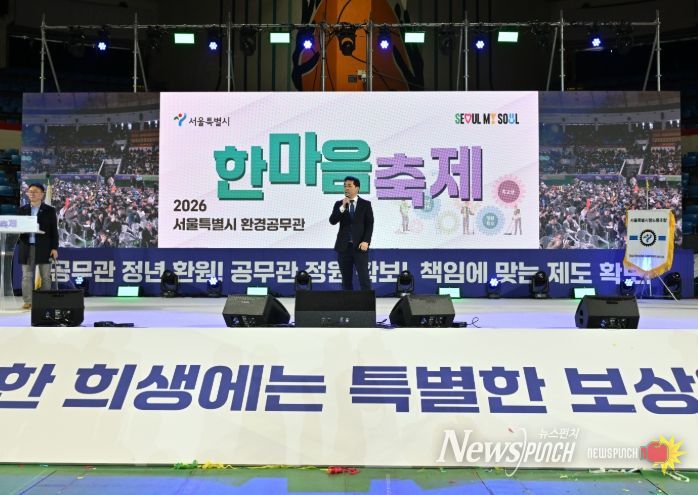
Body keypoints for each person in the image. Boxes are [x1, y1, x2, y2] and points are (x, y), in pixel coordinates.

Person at [17, 183, 58, 310]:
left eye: (35, 191)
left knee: (45, 276)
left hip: (44, 248)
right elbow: (18, 228)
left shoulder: (49, 210)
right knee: (26, 276)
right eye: (30, 191)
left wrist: (54, 248)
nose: (32, 194)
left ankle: (44, 301)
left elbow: (54, 231)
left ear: (42, 194)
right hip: (26, 247)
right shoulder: (22, 210)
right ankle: (28, 301)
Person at [329, 176, 374, 291]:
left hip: (360, 247)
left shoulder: (365, 204)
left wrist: (366, 241)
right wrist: (343, 207)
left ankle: (366, 302)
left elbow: (369, 224)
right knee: (346, 280)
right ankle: (347, 302)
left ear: (357, 188)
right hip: (344, 247)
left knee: (364, 278)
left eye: (349, 186)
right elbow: (332, 221)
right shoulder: (339, 204)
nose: (346, 188)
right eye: (345, 186)